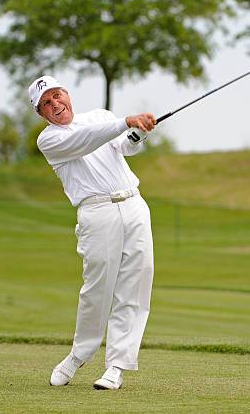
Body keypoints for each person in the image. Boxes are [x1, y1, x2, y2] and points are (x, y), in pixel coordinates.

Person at [28, 75, 156, 390]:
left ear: (67, 94)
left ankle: (116, 366)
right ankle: (78, 355)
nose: (55, 104)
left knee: (133, 287)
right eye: (47, 103)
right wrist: (127, 120)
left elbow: (124, 146)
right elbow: (88, 140)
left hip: (134, 205)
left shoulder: (99, 115)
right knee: (96, 290)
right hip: (96, 213)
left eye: (58, 95)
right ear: (41, 113)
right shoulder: (49, 140)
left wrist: (137, 132)